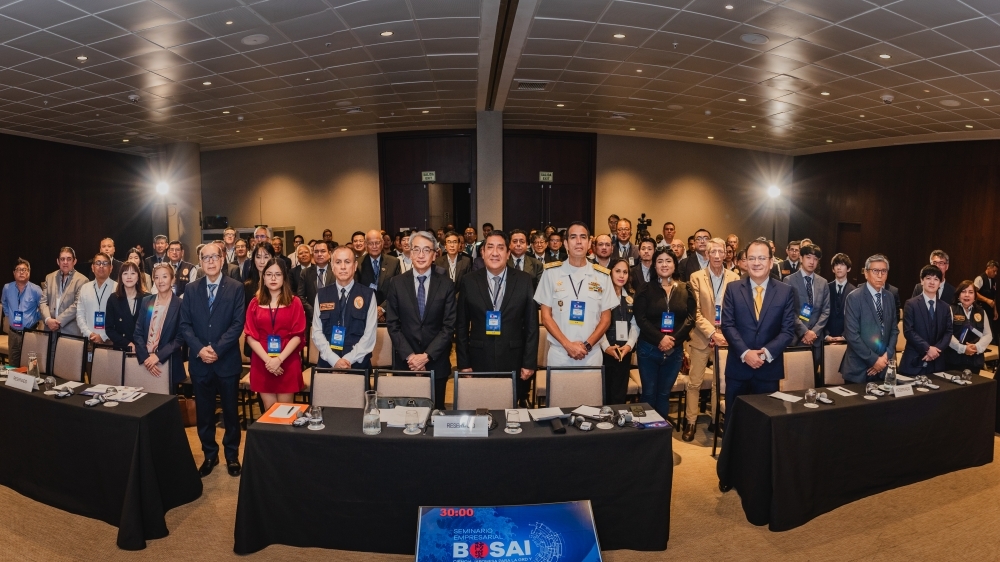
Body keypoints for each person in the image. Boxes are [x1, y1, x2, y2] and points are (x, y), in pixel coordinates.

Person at [179, 242, 246, 478]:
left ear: (222, 259)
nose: (210, 261)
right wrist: (199, 349)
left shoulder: (236, 288)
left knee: (230, 412)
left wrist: (216, 349)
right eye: (205, 257)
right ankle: (209, 454)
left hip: (226, 361)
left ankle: (231, 455)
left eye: (214, 257)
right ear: (200, 261)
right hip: (200, 362)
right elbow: (184, 325)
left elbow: (238, 324)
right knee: (205, 413)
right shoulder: (191, 289)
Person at [456, 230, 539, 406]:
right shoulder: (469, 281)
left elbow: (532, 325)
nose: (495, 253)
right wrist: (463, 363)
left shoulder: (524, 280)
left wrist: (529, 362)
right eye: (490, 247)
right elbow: (461, 325)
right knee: (480, 406)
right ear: (483, 252)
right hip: (479, 358)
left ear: (508, 253)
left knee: (511, 410)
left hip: (513, 358)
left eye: (500, 248)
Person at [720, 239, 797, 429]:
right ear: (745, 262)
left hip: (768, 370)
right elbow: (727, 325)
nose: (756, 263)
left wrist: (765, 353)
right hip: (738, 369)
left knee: (764, 424)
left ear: (771, 262)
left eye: (762, 258)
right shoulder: (733, 289)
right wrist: (746, 353)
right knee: (735, 422)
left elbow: (788, 330)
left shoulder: (785, 291)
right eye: (751, 258)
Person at [385, 231, 456, 410]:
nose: (421, 255)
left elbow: (448, 326)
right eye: (416, 249)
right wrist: (411, 357)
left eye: (426, 250)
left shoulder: (446, 285)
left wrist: (425, 356)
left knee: (436, 414)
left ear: (434, 254)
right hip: (405, 363)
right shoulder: (396, 283)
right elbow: (393, 324)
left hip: (435, 362)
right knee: (405, 414)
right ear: (409, 253)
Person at [535, 222, 617, 371]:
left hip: (591, 355)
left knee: (591, 395)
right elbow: (546, 317)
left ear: (589, 243)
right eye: (573, 237)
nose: (578, 242)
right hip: (560, 353)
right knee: (559, 395)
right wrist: (567, 345)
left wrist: (587, 345)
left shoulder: (602, 276)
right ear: (565, 243)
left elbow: (606, 319)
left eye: (583, 237)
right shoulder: (551, 273)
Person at [684, 238, 739, 441]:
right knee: (695, 382)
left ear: (726, 254)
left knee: (719, 383)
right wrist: (711, 332)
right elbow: (695, 311)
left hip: (725, 338)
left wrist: (724, 333)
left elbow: (736, 310)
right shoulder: (696, 277)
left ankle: (716, 421)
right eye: (712, 252)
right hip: (701, 337)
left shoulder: (734, 277)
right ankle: (690, 421)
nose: (716, 256)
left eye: (720, 252)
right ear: (706, 255)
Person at [633, 247, 695, 419]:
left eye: (668, 260)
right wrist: (661, 338)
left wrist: (673, 340)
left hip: (674, 351)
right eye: (660, 261)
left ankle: (660, 434)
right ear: (654, 265)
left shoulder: (686, 288)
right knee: (649, 393)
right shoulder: (645, 289)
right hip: (648, 349)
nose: (664, 264)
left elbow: (691, 318)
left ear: (675, 264)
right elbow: (641, 318)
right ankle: (646, 435)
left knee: (664, 394)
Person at [245, 258, 305, 411]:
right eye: (269, 274)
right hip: (262, 361)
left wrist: (278, 360)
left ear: (284, 278)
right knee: (269, 411)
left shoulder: (295, 302)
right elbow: (250, 335)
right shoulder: (254, 303)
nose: (273, 278)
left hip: (287, 360)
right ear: (263, 278)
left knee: (285, 411)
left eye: (277, 274)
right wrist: (269, 361)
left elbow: (297, 335)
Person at [313, 245, 378, 371]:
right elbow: (316, 332)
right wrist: (334, 360)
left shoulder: (368, 295)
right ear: (332, 266)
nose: (343, 267)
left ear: (354, 266)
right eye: (338, 262)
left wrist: (348, 359)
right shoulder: (321, 295)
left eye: (347, 262)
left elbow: (369, 335)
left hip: (358, 365)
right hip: (328, 364)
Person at [840, 255, 900, 384]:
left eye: (883, 271)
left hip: (884, 368)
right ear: (866, 273)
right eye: (875, 271)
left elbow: (894, 330)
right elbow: (852, 336)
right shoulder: (854, 297)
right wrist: (874, 360)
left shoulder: (889, 297)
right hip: (859, 369)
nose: (880, 275)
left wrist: (884, 358)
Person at [133, 263, 186, 386]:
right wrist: (146, 358)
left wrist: (158, 357)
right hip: (145, 362)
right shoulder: (147, 301)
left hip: (168, 361)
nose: (160, 281)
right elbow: (138, 332)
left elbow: (180, 338)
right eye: (156, 277)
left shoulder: (181, 304)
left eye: (164, 277)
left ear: (173, 279)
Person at [900, 265, 953, 376]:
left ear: (940, 283)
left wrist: (936, 350)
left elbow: (948, 332)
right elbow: (908, 331)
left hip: (937, 363)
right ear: (922, 281)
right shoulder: (911, 304)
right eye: (928, 278)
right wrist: (928, 349)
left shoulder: (945, 307)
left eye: (936, 279)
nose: (932, 282)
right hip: (914, 361)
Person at [598, 258, 638, 406]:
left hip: (624, 351)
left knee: (620, 393)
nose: (622, 275)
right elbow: (597, 324)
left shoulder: (631, 297)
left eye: (625, 272)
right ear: (610, 272)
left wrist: (629, 346)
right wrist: (606, 347)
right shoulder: (601, 295)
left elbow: (635, 324)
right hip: (605, 351)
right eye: (618, 271)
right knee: (604, 392)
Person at [786, 244, 830, 366]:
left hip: (816, 339)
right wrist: (805, 332)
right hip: (797, 338)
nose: (812, 262)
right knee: (796, 378)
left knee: (814, 379)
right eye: (808, 257)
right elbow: (789, 311)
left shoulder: (823, 282)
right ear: (801, 258)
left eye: (815, 259)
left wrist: (814, 332)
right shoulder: (789, 280)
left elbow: (826, 311)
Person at [40, 247, 89, 340]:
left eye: (69, 259)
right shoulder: (49, 277)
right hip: (49, 330)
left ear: (74, 261)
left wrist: (57, 322)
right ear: (58, 262)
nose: (65, 262)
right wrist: (48, 320)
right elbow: (43, 302)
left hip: (70, 333)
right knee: (49, 355)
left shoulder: (83, 280)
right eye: (62, 259)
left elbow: (77, 305)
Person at [2, 258, 42, 367]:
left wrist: (35, 317)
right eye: (18, 269)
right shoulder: (7, 288)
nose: (21, 272)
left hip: (30, 333)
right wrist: (8, 315)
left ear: (29, 272)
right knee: (13, 366)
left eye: (24, 269)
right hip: (13, 333)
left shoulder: (36, 290)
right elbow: (4, 302)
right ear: (14, 273)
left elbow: (43, 307)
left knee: (30, 365)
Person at [946, 280, 993, 373]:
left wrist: (977, 347)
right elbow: (947, 334)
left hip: (974, 360)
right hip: (955, 360)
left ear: (975, 296)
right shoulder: (951, 309)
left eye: (971, 292)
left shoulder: (981, 312)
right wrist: (963, 349)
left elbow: (988, 335)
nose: (967, 295)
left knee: (974, 386)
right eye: (963, 291)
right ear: (958, 295)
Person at [357, 229, 401, 321]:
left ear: (382, 243)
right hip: (365, 313)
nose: (374, 246)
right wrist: (372, 310)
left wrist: (382, 308)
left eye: (377, 243)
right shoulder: (358, 264)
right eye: (370, 243)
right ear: (365, 245)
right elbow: (356, 291)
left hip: (389, 313)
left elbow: (397, 290)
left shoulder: (394, 262)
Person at [76, 252, 118, 349]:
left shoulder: (117, 288)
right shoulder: (85, 288)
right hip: (89, 340)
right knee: (88, 364)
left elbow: (119, 318)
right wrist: (89, 334)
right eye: (98, 263)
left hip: (110, 341)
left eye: (105, 263)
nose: (101, 266)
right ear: (92, 267)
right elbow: (80, 314)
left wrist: (103, 336)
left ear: (111, 268)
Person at [104, 262, 147, 352]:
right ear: (121, 277)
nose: (129, 277)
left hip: (144, 349)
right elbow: (109, 329)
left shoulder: (147, 299)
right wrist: (127, 344)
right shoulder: (113, 299)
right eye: (125, 273)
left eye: (133, 273)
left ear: (138, 277)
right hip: (121, 349)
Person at [826, 253, 855, 341]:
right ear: (833, 269)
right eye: (836, 264)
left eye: (842, 264)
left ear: (848, 269)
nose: (839, 267)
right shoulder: (826, 288)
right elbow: (821, 312)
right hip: (826, 337)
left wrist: (844, 336)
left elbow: (855, 318)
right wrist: (826, 335)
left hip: (846, 338)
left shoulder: (854, 291)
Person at [243, 242, 275, 307]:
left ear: (273, 259)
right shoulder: (247, 286)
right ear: (254, 260)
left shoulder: (278, 283)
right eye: (258, 257)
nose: (262, 261)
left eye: (266, 257)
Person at [974, 260, 998, 341]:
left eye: (996, 271)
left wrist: (995, 310)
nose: (995, 273)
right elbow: (974, 293)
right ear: (988, 268)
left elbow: (994, 296)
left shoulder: (994, 281)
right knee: (980, 329)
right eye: (994, 271)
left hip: (989, 310)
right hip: (980, 308)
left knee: (989, 330)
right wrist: (986, 300)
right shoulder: (980, 278)